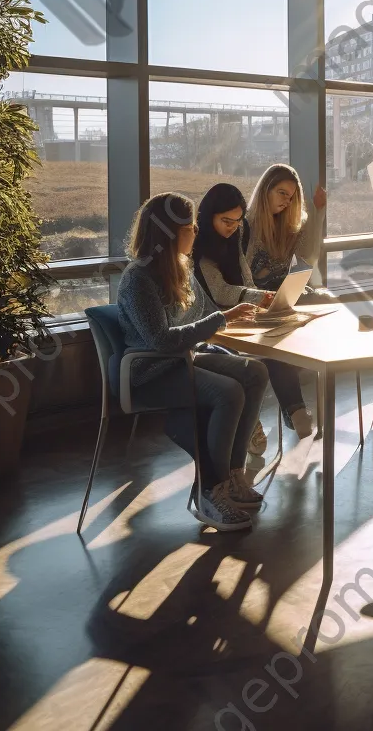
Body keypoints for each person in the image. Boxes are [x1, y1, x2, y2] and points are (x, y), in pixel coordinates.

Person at [117, 193, 269, 532]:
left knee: (255, 371)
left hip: (179, 360)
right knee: (228, 393)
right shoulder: (138, 278)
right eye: (191, 227)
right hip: (150, 371)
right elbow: (161, 340)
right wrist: (218, 320)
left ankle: (232, 476)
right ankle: (208, 492)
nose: (196, 233)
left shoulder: (180, 267)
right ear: (169, 232)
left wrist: (228, 318)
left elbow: (202, 315)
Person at [193, 183, 316, 440]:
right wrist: (258, 296)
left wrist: (260, 301)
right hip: (211, 320)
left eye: (237, 221)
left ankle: (295, 410)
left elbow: (243, 272)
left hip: (241, 313)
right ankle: (250, 423)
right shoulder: (197, 244)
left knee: (275, 347)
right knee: (253, 362)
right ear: (208, 216)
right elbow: (218, 291)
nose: (232, 227)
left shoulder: (236, 233)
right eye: (226, 221)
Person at [245, 163, 327, 293]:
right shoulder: (244, 226)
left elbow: (309, 257)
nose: (287, 201)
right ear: (265, 189)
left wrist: (319, 213)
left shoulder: (290, 228)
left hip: (287, 298)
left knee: (324, 298)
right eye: (282, 193)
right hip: (256, 301)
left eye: (290, 197)